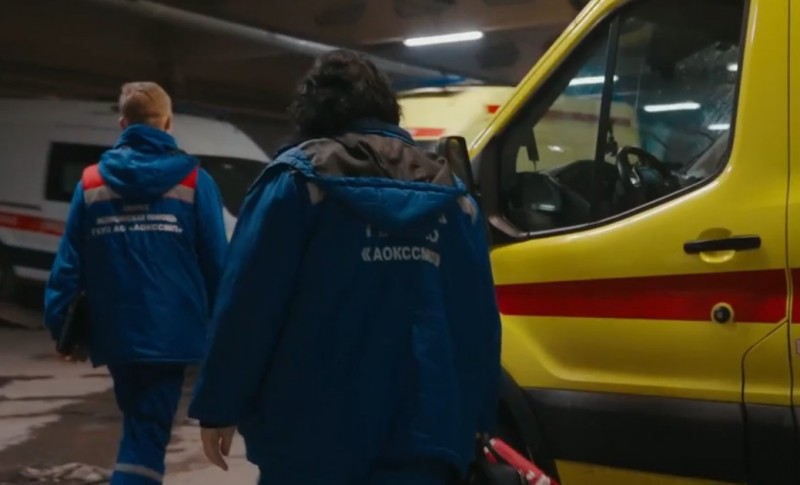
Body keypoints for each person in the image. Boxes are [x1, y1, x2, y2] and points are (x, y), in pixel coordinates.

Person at [188, 50, 502, 485]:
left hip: (310, 434)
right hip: (426, 431)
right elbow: (477, 321)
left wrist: (220, 404)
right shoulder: (454, 198)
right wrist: (480, 415)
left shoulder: (295, 184)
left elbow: (248, 305)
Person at [44, 82, 228, 485]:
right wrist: (225, 333)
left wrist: (62, 329)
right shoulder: (196, 182)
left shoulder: (91, 183)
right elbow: (217, 264)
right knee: (146, 434)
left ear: (122, 123)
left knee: (140, 423)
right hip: (172, 332)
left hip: (115, 331)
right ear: (168, 122)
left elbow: (68, 264)